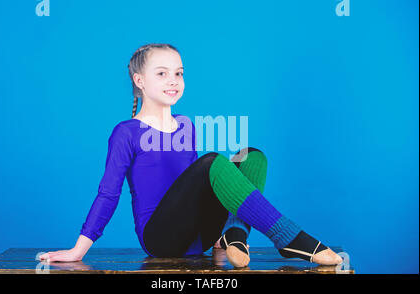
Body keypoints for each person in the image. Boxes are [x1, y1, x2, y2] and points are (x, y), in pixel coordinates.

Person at [39, 43, 343, 267]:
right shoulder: (126, 132)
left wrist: (213, 239)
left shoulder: (186, 125)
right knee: (212, 162)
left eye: (178, 73)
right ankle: (289, 237)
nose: (173, 80)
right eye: (162, 73)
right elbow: (108, 194)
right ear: (139, 80)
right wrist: (78, 250)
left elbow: (199, 189)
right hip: (161, 238)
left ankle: (234, 234)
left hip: (200, 238)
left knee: (252, 157)